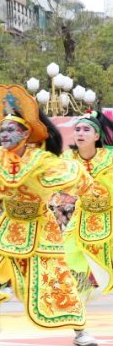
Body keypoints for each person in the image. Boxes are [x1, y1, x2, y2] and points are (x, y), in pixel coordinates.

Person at [0, 84, 96, 346]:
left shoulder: (42, 160)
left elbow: (71, 175)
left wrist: (87, 190)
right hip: (8, 226)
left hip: (40, 227)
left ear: (25, 133)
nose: (4, 134)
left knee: (57, 280)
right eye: (2, 130)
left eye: (11, 130)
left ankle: (81, 331)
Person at [61, 110, 113, 297]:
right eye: (77, 129)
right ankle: (82, 294)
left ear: (97, 135)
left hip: (110, 214)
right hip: (82, 216)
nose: (80, 133)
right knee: (65, 255)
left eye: (86, 129)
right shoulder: (68, 159)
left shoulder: (110, 157)